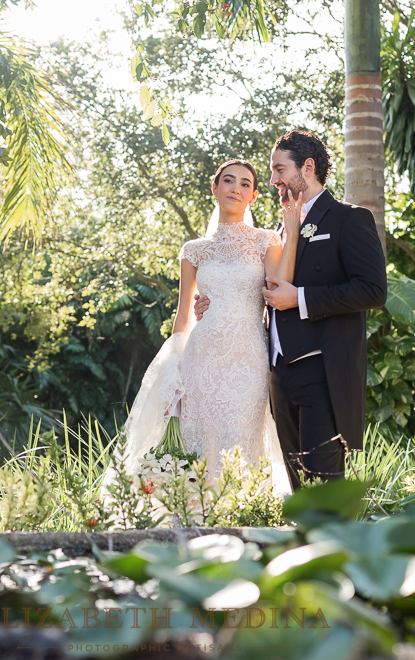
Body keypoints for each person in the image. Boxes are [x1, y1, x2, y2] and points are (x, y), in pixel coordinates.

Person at [195, 129, 387, 490]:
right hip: (277, 377)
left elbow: (373, 290)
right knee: (299, 492)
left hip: (322, 371)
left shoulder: (349, 219)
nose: (273, 180)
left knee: (325, 491)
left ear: (308, 167)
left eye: (279, 170)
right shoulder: (279, 232)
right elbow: (257, 291)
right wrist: (210, 301)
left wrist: (300, 298)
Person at [114, 158, 298, 495]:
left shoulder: (266, 240)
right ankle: (198, 524)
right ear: (215, 188)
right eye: (229, 181)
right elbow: (183, 316)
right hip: (202, 358)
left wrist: (294, 232)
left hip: (248, 357)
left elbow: (280, 288)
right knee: (201, 445)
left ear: (254, 196)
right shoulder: (193, 250)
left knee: (243, 437)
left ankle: (245, 518)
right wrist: (173, 373)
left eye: (245, 184)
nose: (236, 189)